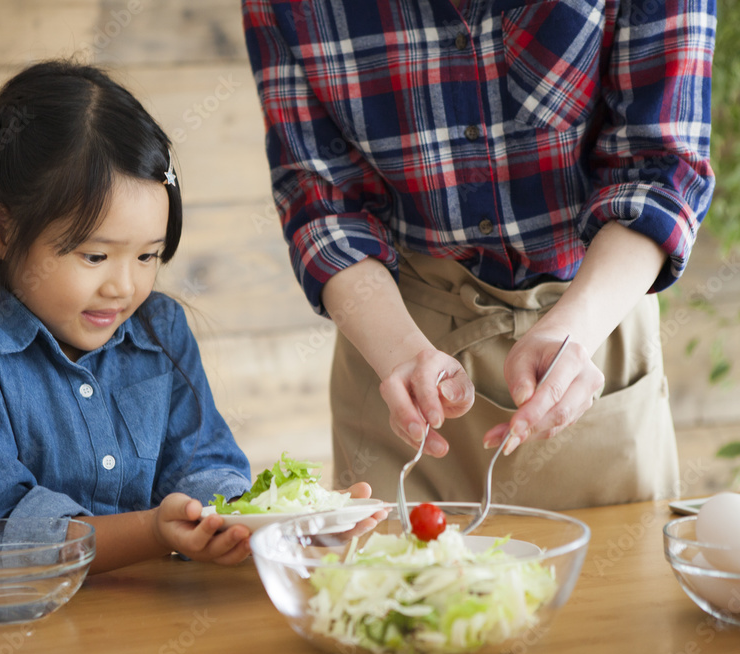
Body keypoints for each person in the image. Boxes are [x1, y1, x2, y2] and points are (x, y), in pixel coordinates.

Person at [243, 0, 716, 509]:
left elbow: (659, 169)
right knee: (385, 583)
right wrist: (400, 352)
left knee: (617, 583)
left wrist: (573, 330)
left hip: (591, 327)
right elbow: (322, 204)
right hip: (395, 342)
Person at [0, 61, 257, 573]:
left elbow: (202, 468)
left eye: (148, 256)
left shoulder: (162, 326)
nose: (125, 287)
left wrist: (276, 519)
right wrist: (153, 531)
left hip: (155, 621)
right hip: (16, 632)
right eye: (94, 256)